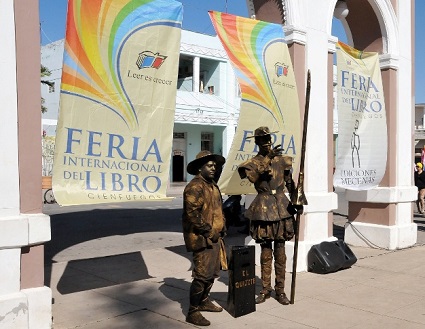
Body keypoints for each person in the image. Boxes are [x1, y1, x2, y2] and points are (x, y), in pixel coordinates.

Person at [238, 126, 302, 305]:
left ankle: (280, 290)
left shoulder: (282, 161)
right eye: (263, 139)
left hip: (281, 207)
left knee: (280, 253)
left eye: (268, 139)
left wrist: (298, 201)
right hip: (263, 208)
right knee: (266, 252)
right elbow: (254, 178)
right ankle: (265, 289)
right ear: (257, 142)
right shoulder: (252, 163)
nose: (267, 142)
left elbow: (290, 183)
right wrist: (267, 158)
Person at [182, 150, 227, 326]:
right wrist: (208, 231)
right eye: (209, 165)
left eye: (215, 165)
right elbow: (192, 214)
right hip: (203, 238)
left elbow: (218, 208)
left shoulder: (212, 185)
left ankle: (204, 300)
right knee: (201, 276)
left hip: (216, 237)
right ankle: (193, 311)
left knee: (211, 274)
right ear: (200, 168)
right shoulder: (195, 186)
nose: (213, 168)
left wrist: (223, 226)